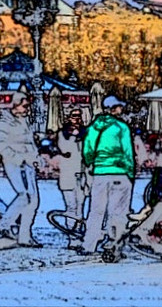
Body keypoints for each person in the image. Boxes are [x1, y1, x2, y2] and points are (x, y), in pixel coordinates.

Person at [80, 94, 136, 258]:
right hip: (119, 173)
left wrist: (94, 164)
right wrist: (130, 173)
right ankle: (114, 245)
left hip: (100, 174)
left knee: (96, 210)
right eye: (119, 106)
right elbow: (128, 153)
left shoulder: (94, 127)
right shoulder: (121, 127)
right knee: (117, 212)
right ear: (114, 108)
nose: (121, 109)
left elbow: (87, 151)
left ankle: (89, 244)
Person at [0, 92, 43, 247]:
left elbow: (29, 143)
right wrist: (18, 158)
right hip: (15, 163)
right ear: (16, 105)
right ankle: (4, 224)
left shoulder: (24, 121)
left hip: (28, 164)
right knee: (24, 196)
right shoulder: (4, 122)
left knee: (33, 201)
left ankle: (25, 236)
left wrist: (36, 158)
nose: (27, 108)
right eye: (24, 105)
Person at [54, 109, 86, 222]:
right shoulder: (62, 134)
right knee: (71, 206)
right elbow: (65, 150)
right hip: (68, 174)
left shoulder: (85, 133)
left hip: (81, 173)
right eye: (74, 116)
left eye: (79, 116)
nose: (77, 119)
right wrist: (73, 137)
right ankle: (71, 231)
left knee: (80, 205)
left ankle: (78, 230)